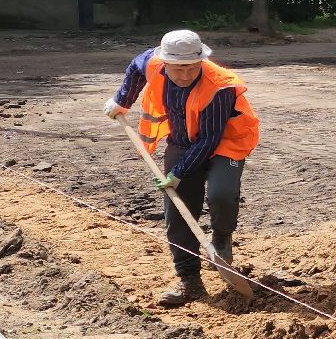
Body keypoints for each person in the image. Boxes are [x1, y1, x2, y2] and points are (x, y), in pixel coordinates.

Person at [104, 30, 260, 307]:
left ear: (202, 61)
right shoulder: (152, 62)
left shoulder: (221, 86)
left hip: (226, 143)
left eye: (191, 68)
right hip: (181, 140)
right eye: (178, 69)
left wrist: (178, 173)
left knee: (221, 194)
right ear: (165, 63)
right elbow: (136, 68)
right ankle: (190, 281)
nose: (185, 75)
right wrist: (122, 100)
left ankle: (221, 238)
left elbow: (209, 139)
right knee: (177, 213)